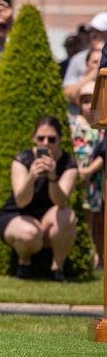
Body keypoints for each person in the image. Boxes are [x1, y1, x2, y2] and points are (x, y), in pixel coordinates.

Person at [0, 115, 78, 282]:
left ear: (60, 140)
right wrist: (31, 178)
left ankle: (57, 268)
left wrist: (53, 177)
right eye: (41, 138)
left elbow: (61, 202)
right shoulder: (23, 160)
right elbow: (21, 201)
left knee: (67, 215)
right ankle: (24, 262)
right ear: (34, 138)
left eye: (51, 139)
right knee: (30, 233)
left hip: (49, 216)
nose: (46, 143)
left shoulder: (68, 164)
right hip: (18, 215)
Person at [70, 81, 105, 269]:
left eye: (93, 100)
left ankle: (99, 257)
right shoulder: (73, 124)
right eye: (85, 101)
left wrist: (89, 171)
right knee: (82, 219)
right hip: (77, 177)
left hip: (96, 178)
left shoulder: (102, 125)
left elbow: (103, 153)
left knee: (97, 219)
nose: (89, 106)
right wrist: (77, 171)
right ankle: (85, 255)